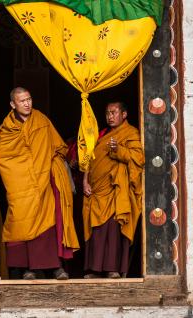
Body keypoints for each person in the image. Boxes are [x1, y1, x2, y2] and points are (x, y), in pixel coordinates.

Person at [0, 87, 79, 280]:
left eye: (29, 99)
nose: (27, 104)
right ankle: (28, 268)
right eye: (22, 101)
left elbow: (58, 147)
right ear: (12, 105)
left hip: (43, 182)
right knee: (22, 221)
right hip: (20, 185)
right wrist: (20, 179)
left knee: (49, 222)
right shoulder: (7, 128)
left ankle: (55, 267)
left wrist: (55, 165)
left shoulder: (41, 120)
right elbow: (4, 158)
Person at [82, 102, 145, 279]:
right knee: (96, 228)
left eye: (114, 112)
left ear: (124, 114)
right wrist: (85, 181)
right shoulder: (102, 134)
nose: (110, 116)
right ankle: (94, 269)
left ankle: (113, 269)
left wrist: (120, 150)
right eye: (107, 113)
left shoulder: (131, 133)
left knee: (114, 230)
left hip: (116, 189)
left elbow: (138, 158)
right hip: (97, 189)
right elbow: (90, 158)